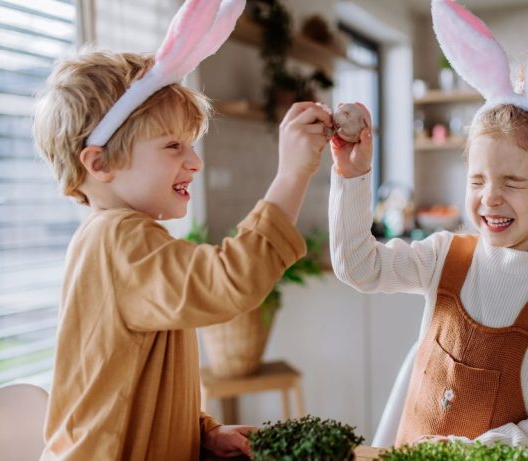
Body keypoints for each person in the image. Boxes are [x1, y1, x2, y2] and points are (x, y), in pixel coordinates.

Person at [32, 1, 334, 459]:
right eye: (173, 145)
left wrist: (202, 432)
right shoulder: (117, 242)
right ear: (100, 163)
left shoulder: (119, 240)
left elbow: (130, 380)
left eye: (191, 144)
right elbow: (233, 280)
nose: (194, 161)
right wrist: (291, 174)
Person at [328, 0, 528, 456]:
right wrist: (353, 177)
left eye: (512, 182)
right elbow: (358, 266)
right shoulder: (443, 256)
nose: (490, 198)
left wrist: (478, 453)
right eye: (477, 181)